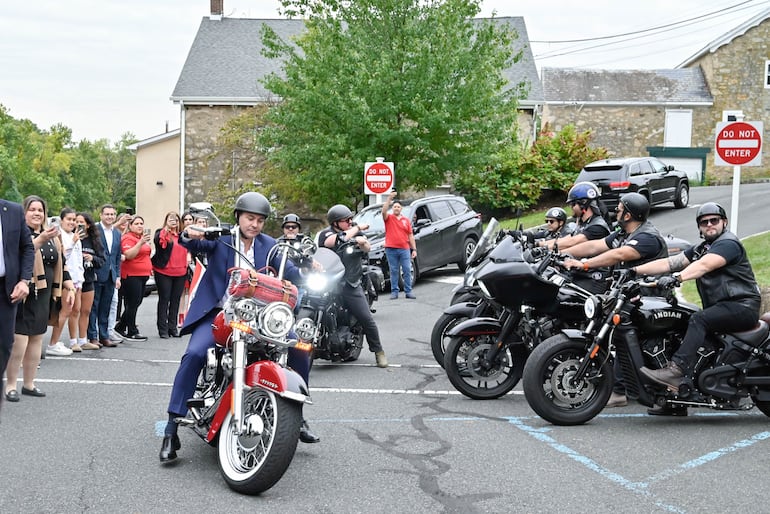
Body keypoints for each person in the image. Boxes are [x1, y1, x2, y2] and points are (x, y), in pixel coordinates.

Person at [159, 192, 317, 463]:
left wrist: (307, 268)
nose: (254, 224)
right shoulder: (220, 239)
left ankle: (297, 416)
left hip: (260, 317)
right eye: (249, 218)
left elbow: (290, 271)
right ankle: (172, 427)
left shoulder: (270, 245)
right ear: (238, 217)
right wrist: (192, 234)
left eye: (259, 220)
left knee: (300, 347)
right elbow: (193, 245)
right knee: (195, 354)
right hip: (221, 314)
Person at [634, 202, 761, 415]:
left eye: (714, 220)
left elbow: (704, 266)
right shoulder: (703, 248)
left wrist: (676, 279)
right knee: (682, 321)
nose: (709, 224)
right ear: (700, 227)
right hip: (723, 307)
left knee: (699, 319)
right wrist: (634, 270)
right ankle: (675, 399)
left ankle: (675, 371)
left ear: (724, 222)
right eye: (704, 222)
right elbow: (671, 262)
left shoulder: (728, 243)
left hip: (742, 306)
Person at [563, 192, 667, 409]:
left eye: (619, 208)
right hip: (628, 296)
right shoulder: (623, 232)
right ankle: (618, 386)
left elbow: (620, 255)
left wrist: (584, 265)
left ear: (628, 215)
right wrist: (560, 252)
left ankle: (619, 391)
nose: (615, 211)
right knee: (612, 333)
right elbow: (594, 246)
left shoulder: (648, 237)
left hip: (650, 298)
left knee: (620, 334)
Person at [5, 196, 75, 402]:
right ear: (23, 212)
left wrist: (69, 286)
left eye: (40, 210)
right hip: (25, 293)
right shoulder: (17, 234)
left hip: (44, 294)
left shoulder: (52, 236)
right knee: (20, 342)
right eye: (32, 209)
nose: (37, 213)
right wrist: (41, 239)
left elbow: (61, 264)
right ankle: (10, 385)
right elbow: (19, 258)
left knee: (37, 339)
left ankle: (29, 383)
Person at [318, 204, 388, 368]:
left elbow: (367, 247)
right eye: (346, 220)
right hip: (328, 282)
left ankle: (379, 351)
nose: (350, 222)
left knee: (366, 317)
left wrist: (362, 242)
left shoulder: (358, 233)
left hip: (350, 282)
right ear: (335, 223)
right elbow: (330, 242)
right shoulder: (326, 233)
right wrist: (356, 230)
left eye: (351, 219)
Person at [0, 198, 35, 410]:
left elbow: (27, 248)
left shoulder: (12, 211)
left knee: (4, 343)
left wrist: (24, 280)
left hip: (7, 289)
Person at [47, 208, 83, 353]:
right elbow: (61, 258)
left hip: (76, 279)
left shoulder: (75, 236)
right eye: (69, 219)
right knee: (64, 311)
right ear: (61, 220)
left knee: (73, 310)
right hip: (64, 279)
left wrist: (80, 280)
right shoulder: (58, 236)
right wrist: (72, 243)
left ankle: (57, 341)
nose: (72, 222)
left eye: (74, 220)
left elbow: (78, 261)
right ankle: (52, 343)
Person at [88, 205, 123, 348]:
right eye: (107, 214)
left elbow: (116, 257)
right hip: (96, 273)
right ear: (101, 215)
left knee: (105, 307)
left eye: (113, 214)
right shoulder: (94, 230)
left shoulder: (117, 233)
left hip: (111, 275)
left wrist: (118, 276)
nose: (110, 217)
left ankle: (104, 335)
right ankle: (93, 336)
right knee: (93, 306)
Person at [540, 182, 611, 251]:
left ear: (583, 204)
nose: (571, 207)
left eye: (573, 204)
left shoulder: (597, 226)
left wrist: (545, 249)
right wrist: (540, 244)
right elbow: (567, 239)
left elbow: (572, 242)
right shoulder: (584, 223)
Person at [152, 211, 188, 339]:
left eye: (176, 220)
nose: (174, 221)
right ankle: (163, 329)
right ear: (166, 221)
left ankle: (172, 328)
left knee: (175, 300)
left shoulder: (183, 236)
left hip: (180, 272)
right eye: (171, 219)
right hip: (164, 271)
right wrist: (166, 229)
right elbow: (158, 243)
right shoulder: (161, 233)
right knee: (164, 299)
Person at [116, 216, 152, 341]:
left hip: (143, 274)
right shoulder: (128, 238)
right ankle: (131, 330)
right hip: (131, 275)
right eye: (136, 223)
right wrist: (140, 243)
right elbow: (129, 255)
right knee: (132, 303)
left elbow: (146, 254)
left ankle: (120, 327)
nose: (140, 226)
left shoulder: (141, 238)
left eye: (141, 223)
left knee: (137, 302)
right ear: (130, 226)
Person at [74, 212, 103, 350]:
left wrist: (92, 258)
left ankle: (83, 339)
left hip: (89, 278)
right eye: (76, 221)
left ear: (88, 225)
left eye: (81, 222)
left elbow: (102, 260)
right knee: (75, 310)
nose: (79, 224)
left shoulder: (94, 240)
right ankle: (73, 341)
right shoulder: (71, 237)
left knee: (86, 310)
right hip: (74, 280)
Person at [381, 190, 417, 300]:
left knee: (406, 269)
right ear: (393, 209)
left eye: (398, 207)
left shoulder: (406, 221)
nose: (396, 208)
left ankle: (408, 291)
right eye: (395, 207)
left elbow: (410, 235)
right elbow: (383, 211)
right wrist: (389, 199)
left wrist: (414, 249)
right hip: (391, 249)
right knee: (394, 270)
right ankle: (394, 291)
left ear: (401, 209)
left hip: (404, 249)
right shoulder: (389, 218)